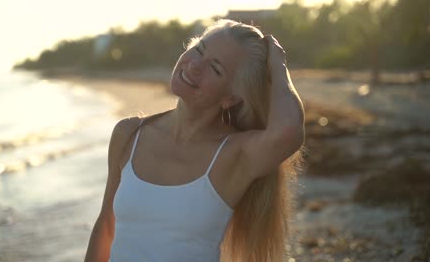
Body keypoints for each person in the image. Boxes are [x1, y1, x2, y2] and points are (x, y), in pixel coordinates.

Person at [84, 19, 305, 262]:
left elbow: (288, 131)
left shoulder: (233, 154)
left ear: (230, 98)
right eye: (199, 49)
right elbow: (106, 227)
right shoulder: (129, 134)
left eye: (216, 68)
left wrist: (278, 65)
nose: (196, 65)